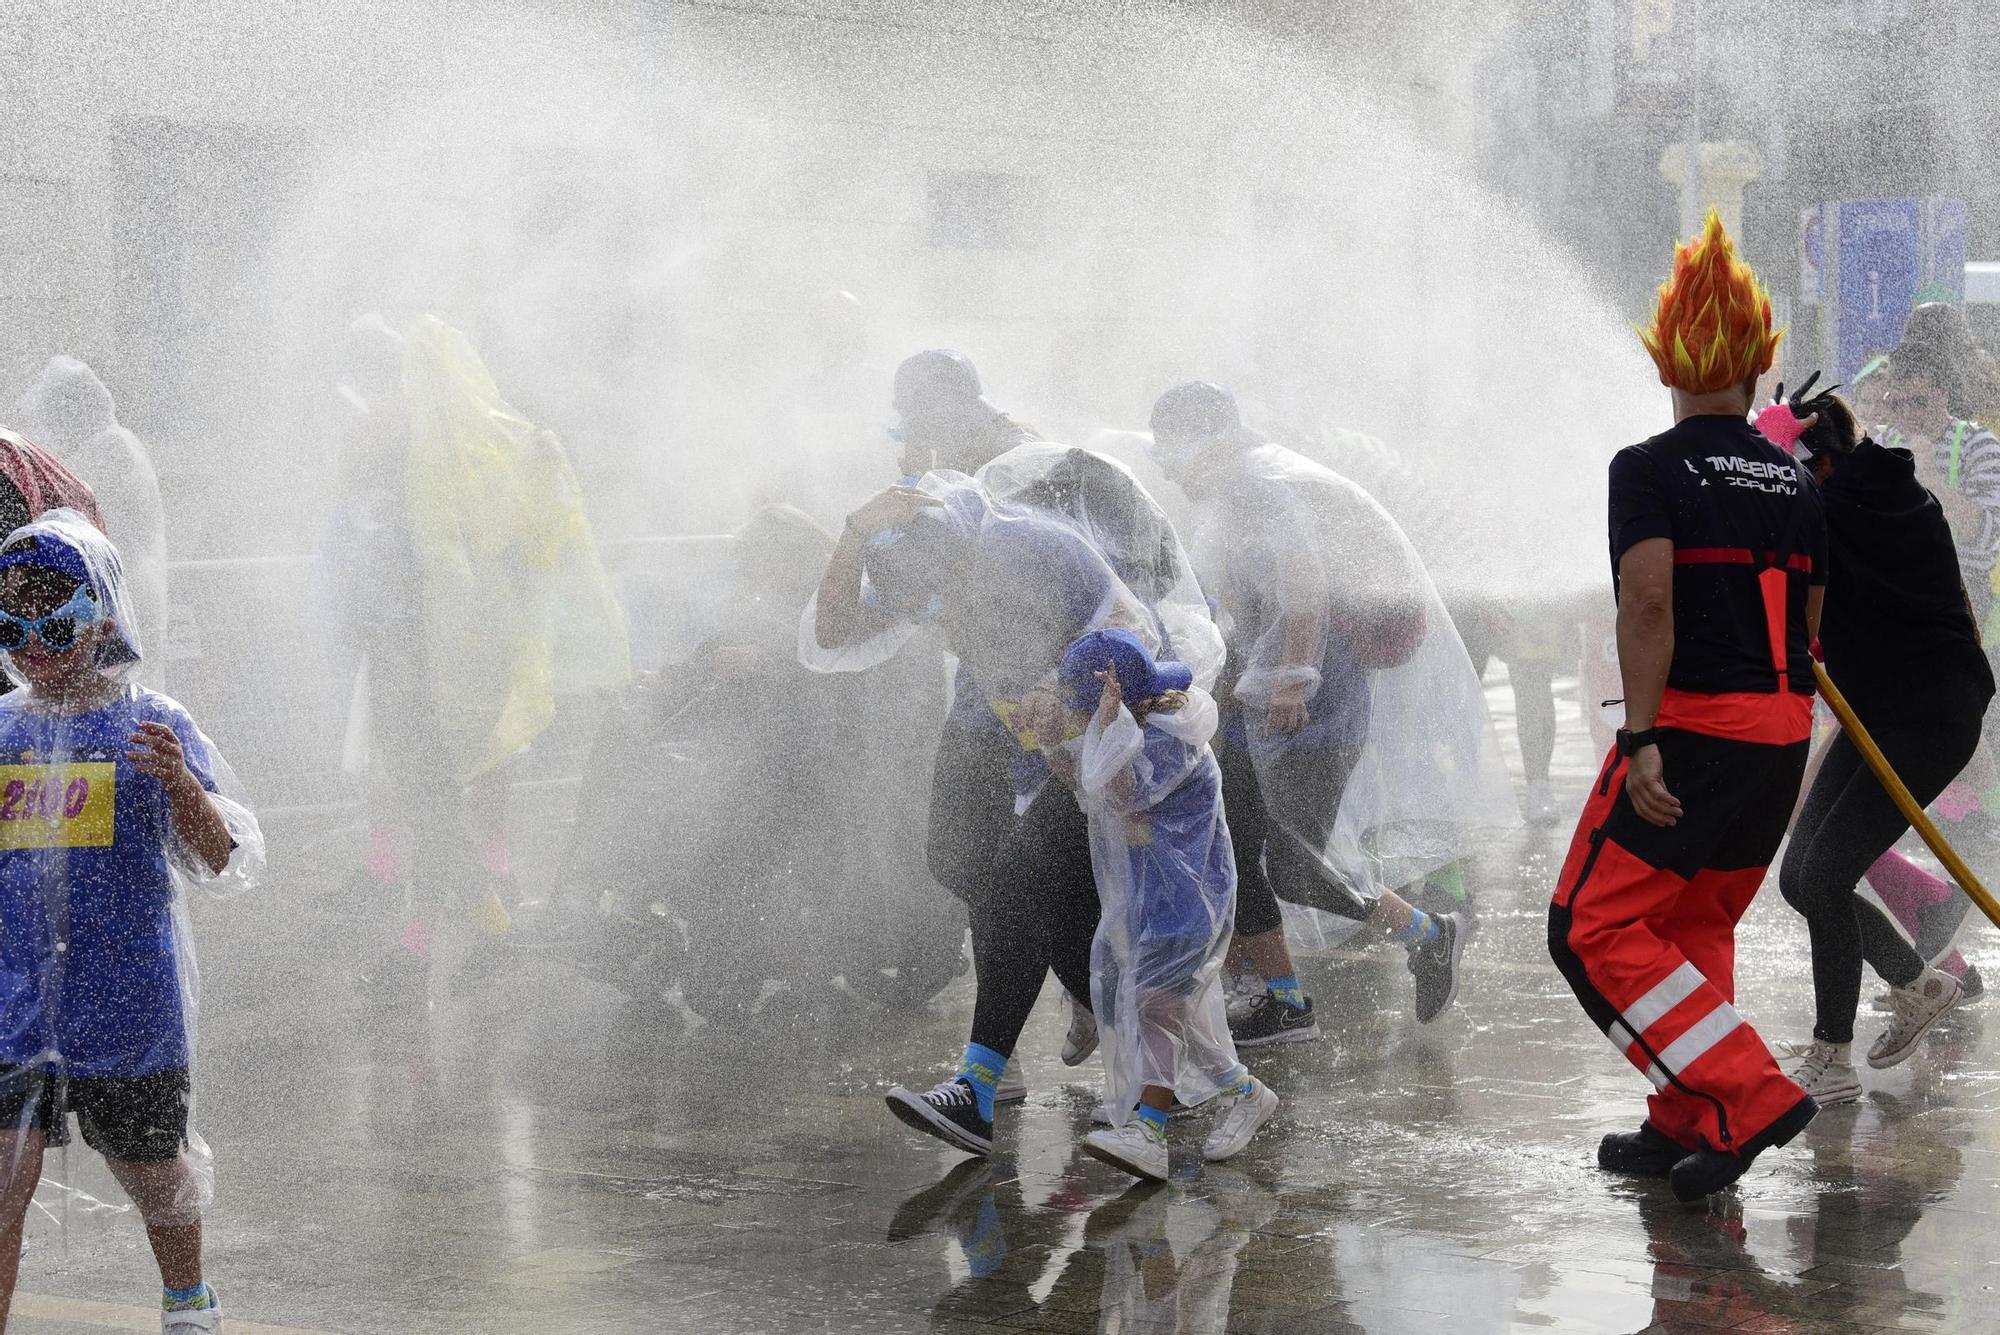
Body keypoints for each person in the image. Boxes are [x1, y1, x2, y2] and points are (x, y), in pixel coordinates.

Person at [802, 459, 1222, 1157]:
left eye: (942, 598)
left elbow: (1133, 644)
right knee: (958, 856)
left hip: (1122, 733)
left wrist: (1066, 700)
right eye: (923, 608)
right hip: (1033, 736)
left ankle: (979, 1088)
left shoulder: (1036, 548)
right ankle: (1109, 1011)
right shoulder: (919, 563)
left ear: (963, 555)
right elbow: (834, 630)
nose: (937, 615)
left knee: (1018, 879)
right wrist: (851, 535)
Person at [1550, 211, 1820, 1202]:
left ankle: (1746, 1095)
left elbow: (1648, 600)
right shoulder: (1795, 482)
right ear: (1755, 370)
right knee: (1692, 923)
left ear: (1666, 365)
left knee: (1588, 927)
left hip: (1695, 731)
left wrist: (1641, 736)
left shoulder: (1649, 468)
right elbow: (1812, 623)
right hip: (1778, 735)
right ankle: (1685, 1117)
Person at [1147, 382, 1515, 1039]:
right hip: (1260, 698)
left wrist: (1289, 678)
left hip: (1311, 707)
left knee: (1294, 864)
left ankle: (1430, 933)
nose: (1166, 466)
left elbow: (1305, 580)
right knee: (1226, 842)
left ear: (1197, 441)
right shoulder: (1236, 490)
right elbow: (1243, 603)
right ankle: (1281, 998)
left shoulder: (1260, 483)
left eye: (1167, 448)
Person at [0, 511, 260, 1334]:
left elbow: (224, 855)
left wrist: (182, 785)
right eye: (10, 621)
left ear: (103, 616)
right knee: (4, 1176)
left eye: (54, 617)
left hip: (126, 994)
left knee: (153, 1171)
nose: (31, 640)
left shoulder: (150, 726)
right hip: (11, 998)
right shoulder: (1, 732)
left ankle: (186, 1298)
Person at [1760, 382, 1992, 1105]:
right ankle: (1922, 984)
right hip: (1877, 709)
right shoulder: (1844, 494)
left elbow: (1804, 518)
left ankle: (1833, 1055)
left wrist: (1770, 459)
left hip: (1928, 717)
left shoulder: (1873, 499)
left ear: (1814, 462)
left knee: (1826, 873)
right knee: (1800, 874)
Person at [1038, 629, 1276, 1181]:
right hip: (1157, 894)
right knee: (1170, 1010)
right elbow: (1091, 788)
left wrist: (1105, 727)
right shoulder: (1143, 726)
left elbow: (1118, 797)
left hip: (1190, 900)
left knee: (1155, 1005)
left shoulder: (1172, 740)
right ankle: (1247, 1093)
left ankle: (1149, 1130)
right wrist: (1053, 744)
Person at [14, 358, 168, 667]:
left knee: (116, 691)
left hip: (119, 593)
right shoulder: (117, 443)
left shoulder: (108, 450)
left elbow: (78, 525)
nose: (53, 424)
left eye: (55, 413)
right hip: (124, 588)